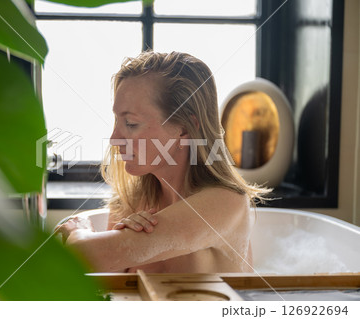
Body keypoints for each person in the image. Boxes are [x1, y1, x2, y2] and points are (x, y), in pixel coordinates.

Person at [56, 51, 269, 273]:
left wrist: (79, 231)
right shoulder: (132, 200)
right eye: (117, 120)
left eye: (130, 123)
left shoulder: (226, 203)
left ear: (184, 128)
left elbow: (81, 255)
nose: (114, 138)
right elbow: (110, 284)